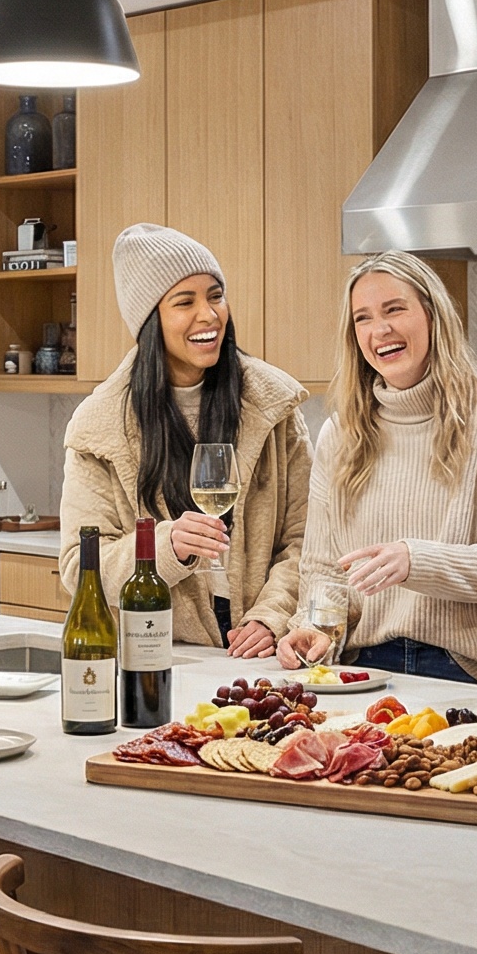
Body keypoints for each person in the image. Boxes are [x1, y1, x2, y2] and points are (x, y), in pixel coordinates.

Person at [275, 252, 477, 688]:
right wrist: (315, 626)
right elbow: (324, 568)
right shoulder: (340, 432)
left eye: (394, 309)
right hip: (365, 667)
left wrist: (415, 560)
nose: (380, 330)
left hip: (466, 672)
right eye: (363, 318)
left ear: (433, 316)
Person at [60, 223, 310, 654]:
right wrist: (163, 547)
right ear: (150, 321)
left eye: (215, 295)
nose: (209, 315)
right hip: (159, 654)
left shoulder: (274, 405)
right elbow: (78, 565)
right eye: (184, 302)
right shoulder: (99, 427)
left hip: (261, 657)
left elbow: (308, 540)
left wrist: (272, 616)